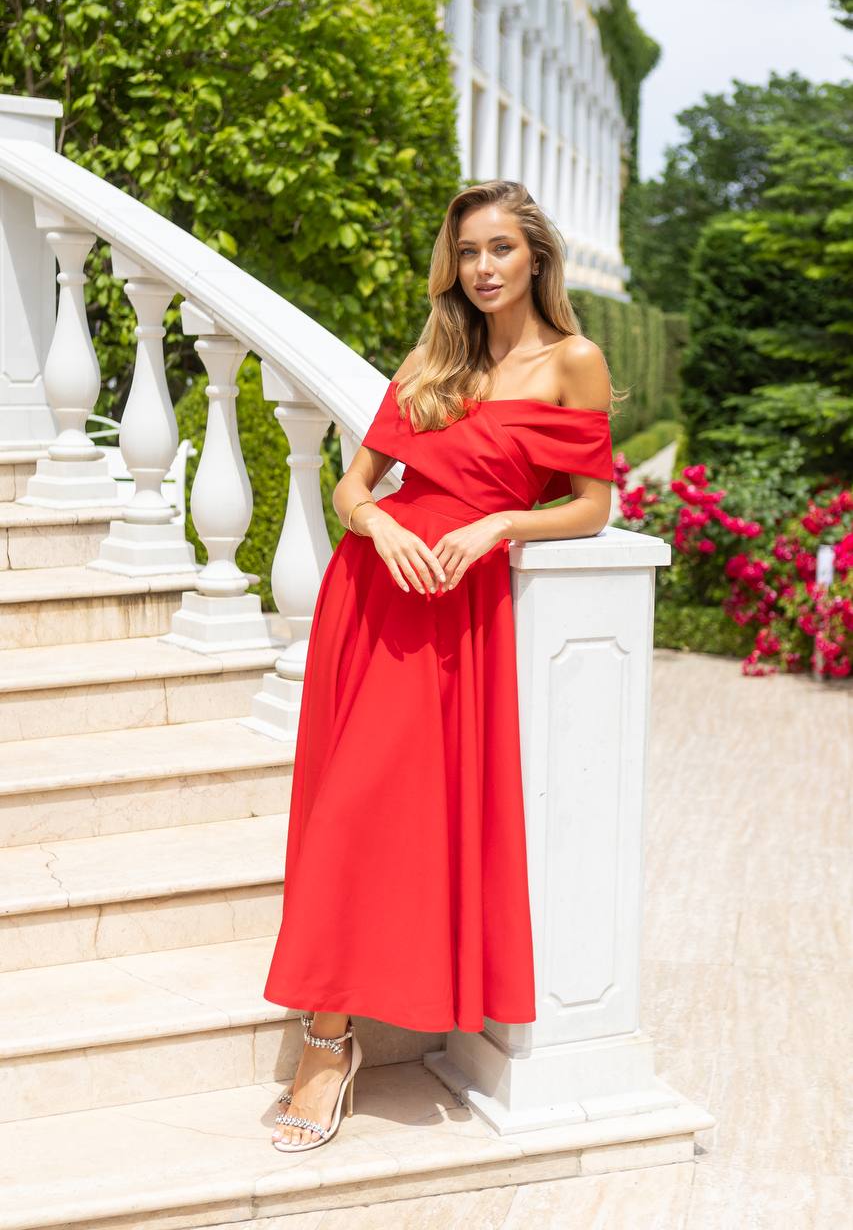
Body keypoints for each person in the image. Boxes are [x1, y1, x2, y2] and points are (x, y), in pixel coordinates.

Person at [263, 179, 619, 1152]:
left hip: (459, 610)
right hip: (374, 592)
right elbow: (351, 482)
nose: (484, 267)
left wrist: (503, 520)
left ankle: (363, 1023)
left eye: (500, 247)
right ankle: (325, 1044)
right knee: (343, 808)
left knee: (399, 815)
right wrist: (374, 520)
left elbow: (592, 505)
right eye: (468, 252)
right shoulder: (436, 353)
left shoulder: (572, 362)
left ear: (535, 256)